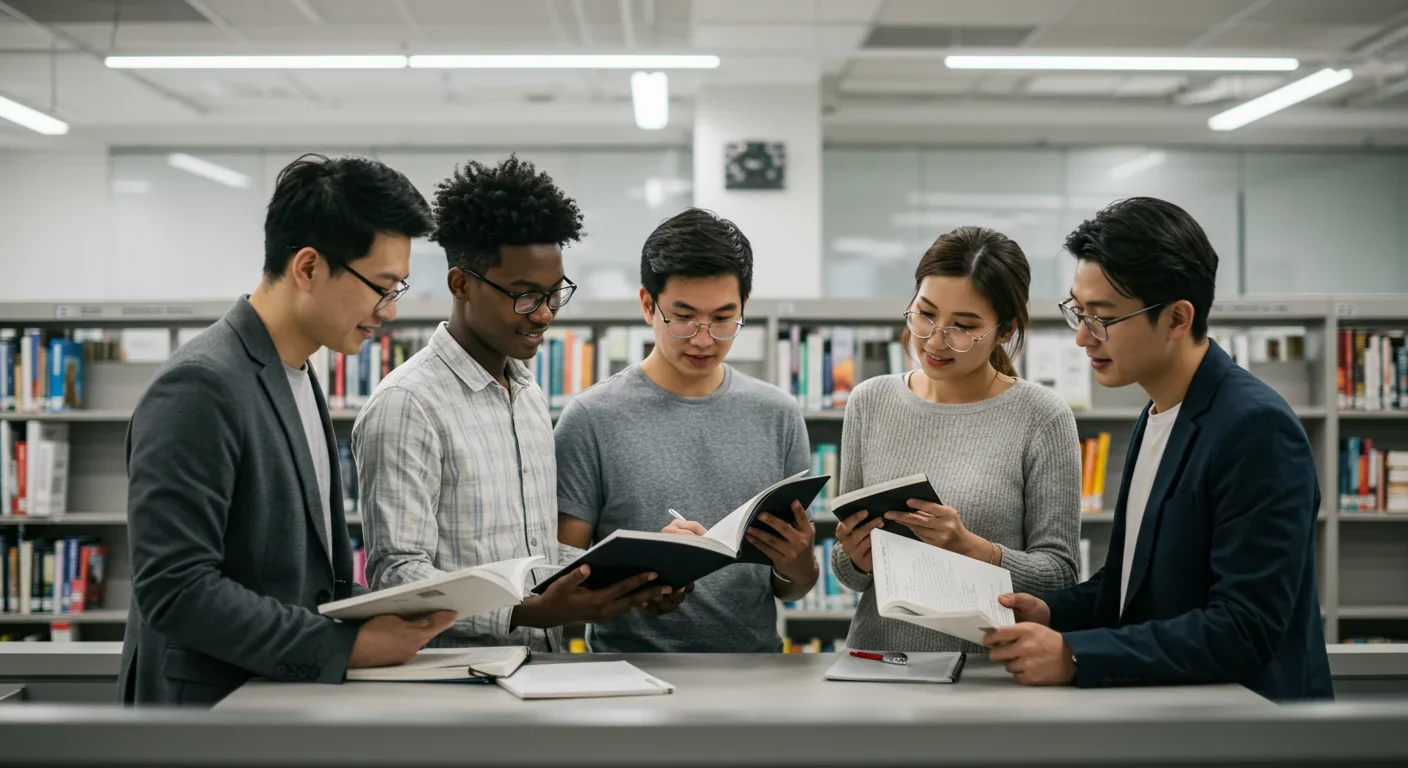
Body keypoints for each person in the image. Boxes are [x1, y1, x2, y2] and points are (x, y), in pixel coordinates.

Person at [120, 153, 457, 707]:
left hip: (277, 704)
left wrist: (381, 612)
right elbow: (175, 589)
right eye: (382, 286)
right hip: (207, 716)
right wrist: (344, 646)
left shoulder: (296, 373)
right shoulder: (199, 386)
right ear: (307, 268)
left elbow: (293, 575)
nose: (389, 311)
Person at [984, 197, 1334, 701]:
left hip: (1250, 724)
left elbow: (1244, 627)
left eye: (1102, 317)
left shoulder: (1256, 428)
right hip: (1172, 713)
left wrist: (1076, 655)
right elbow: (1134, 581)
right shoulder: (1158, 413)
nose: (1083, 337)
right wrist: (1053, 612)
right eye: (1078, 312)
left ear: (1177, 319)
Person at [353, 156, 675, 653]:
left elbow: (536, 553)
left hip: (536, 671)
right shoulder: (407, 405)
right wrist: (526, 611)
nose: (544, 314)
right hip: (453, 681)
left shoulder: (526, 394)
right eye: (524, 296)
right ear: (461, 284)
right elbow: (397, 573)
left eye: (554, 294)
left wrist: (628, 583)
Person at [555, 207, 818, 653]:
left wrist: (798, 564)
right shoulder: (591, 418)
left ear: (744, 307)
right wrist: (643, 576)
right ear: (647, 305)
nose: (703, 339)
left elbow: (792, 589)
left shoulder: (779, 414)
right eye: (684, 317)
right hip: (629, 672)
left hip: (756, 670)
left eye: (723, 318)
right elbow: (563, 584)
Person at [831, 227, 1081, 654]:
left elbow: (1060, 575)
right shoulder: (870, 401)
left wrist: (969, 548)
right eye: (925, 314)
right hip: (878, 662)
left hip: (990, 667)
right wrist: (854, 555)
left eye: (963, 327)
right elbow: (850, 573)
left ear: (1006, 330)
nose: (934, 340)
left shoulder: (1042, 416)